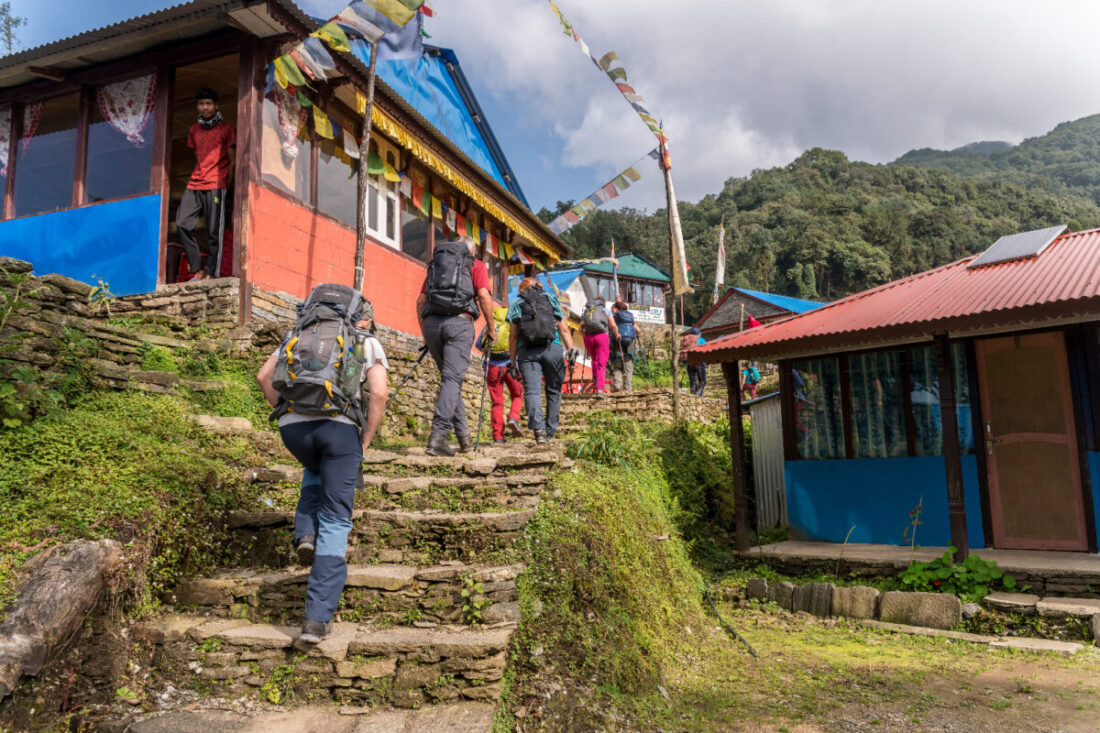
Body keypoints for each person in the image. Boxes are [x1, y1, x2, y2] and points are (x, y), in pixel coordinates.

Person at [256, 285, 387, 645]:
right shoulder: (362, 342)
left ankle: (305, 533)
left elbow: (264, 377)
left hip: (294, 431)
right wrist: (367, 436)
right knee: (336, 520)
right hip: (339, 430)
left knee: (315, 466)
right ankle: (316, 618)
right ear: (359, 315)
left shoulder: (297, 336)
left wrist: (285, 411)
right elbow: (378, 392)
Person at [416, 239, 495, 456]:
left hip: (432, 325)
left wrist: (425, 335)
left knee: (450, 381)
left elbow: (421, 301)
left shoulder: (437, 264)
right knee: (452, 380)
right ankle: (438, 437)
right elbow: (483, 296)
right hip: (459, 324)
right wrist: (491, 328)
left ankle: (464, 439)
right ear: (472, 250)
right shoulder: (475, 264)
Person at [176, 87, 236, 282]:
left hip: (216, 184)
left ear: (216, 105)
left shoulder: (227, 129)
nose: (205, 107)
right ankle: (197, 269)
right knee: (182, 223)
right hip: (195, 183)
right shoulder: (194, 130)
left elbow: (233, 160)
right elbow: (198, 156)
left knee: (214, 231)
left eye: (208, 103)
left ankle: (212, 273)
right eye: (201, 104)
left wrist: (227, 183)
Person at [508, 278, 575, 444]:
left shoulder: (517, 302)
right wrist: (571, 350)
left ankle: (539, 430)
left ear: (522, 289)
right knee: (554, 390)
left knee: (532, 391)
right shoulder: (550, 298)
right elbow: (564, 329)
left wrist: (512, 361)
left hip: (527, 352)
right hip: (552, 348)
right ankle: (550, 430)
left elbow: (513, 336)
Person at [477, 306, 523, 443]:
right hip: (510, 365)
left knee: (497, 402)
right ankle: (513, 417)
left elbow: (479, 345)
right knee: (518, 394)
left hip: (492, 367)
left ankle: (498, 436)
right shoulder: (513, 323)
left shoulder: (490, 324)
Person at [580, 297, 619, 396]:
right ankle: (600, 390)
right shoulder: (605, 310)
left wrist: (585, 337)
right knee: (602, 363)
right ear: (603, 303)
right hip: (602, 337)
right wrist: (617, 334)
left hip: (589, 338)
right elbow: (613, 325)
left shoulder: (588, 310)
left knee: (594, 360)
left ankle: (595, 380)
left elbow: (580, 329)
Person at [610, 300, 637, 392]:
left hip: (618, 345)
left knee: (617, 367)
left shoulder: (614, 316)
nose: (612, 309)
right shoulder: (630, 317)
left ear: (617, 308)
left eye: (613, 308)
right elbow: (638, 330)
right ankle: (628, 390)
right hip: (629, 346)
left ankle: (617, 387)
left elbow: (611, 326)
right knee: (628, 370)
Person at [681, 327, 707, 396]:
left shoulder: (687, 341)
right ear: (699, 334)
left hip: (689, 364)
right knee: (702, 381)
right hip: (699, 363)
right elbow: (706, 350)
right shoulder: (701, 340)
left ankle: (693, 395)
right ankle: (699, 395)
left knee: (693, 381)